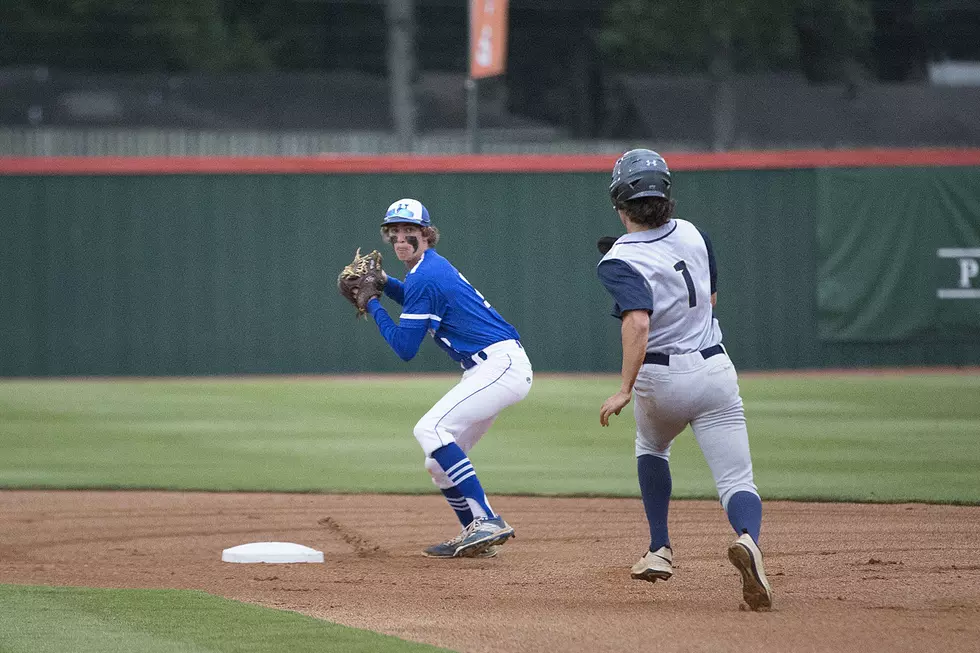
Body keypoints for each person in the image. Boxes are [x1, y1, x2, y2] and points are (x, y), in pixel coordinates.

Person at [596, 149, 773, 611]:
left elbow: (637, 323)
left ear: (619, 201)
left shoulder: (617, 259)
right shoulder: (694, 233)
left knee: (652, 449)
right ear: (666, 195)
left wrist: (623, 389)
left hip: (661, 376)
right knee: (737, 479)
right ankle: (749, 540)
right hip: (715, 368)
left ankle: (660, 549)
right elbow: (709, 297)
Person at [361, 198, 533, 558]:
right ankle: (476, 533)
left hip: (499, 365)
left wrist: (373, 303)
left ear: (426, 233)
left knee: (429, 430)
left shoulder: (425, 274)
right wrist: (386, 283)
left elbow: (405, 348)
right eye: (395, 233)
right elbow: (415, 297)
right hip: (490, 367)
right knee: (437, 463)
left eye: (410, 231)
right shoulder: (427, 270)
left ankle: (487, 519)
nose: (401, 239)